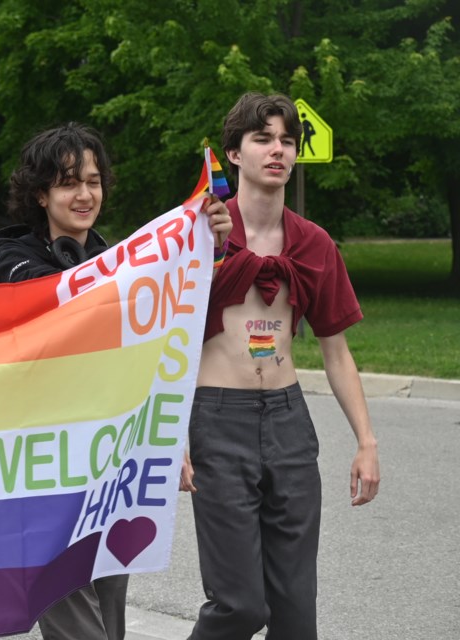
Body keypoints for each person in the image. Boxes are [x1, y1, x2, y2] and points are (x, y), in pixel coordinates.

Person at [0, 123, 232, 640]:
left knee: (109, 616)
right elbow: (61, 307)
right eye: (69, 182)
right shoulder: (16, 260)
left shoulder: (120, 260)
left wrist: (211, 245)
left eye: (93, 181)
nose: (84, 195)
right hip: (46, 470)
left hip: (110, 466)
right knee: (78, 622)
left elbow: (160, 349)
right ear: (40, 194)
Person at [183, 92, 380, 640]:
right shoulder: (199, 235)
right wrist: (171, 437)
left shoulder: (314, 243)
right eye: (262, 139)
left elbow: (336, 351)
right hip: (216, 418)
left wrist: (366, 441)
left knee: (296, 614)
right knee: (241, 606)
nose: (277, 150)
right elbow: (162, 344)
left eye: (287, 141)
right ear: (234, 155)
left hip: (290, 420)